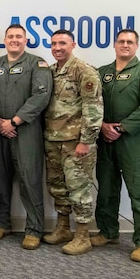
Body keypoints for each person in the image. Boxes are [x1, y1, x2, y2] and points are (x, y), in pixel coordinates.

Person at [93, 29, 140, 263]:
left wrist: (120, 128)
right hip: (105, 141)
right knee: (106, 190)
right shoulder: (102, 74)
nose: (125, 45)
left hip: (134, 143)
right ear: (114, 45)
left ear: (136, 46)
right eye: (121, 41)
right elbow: (91, 103)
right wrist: (103, 125)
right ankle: (108, 232)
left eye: (129, 42)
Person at [0, 24, 53, 250]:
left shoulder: (37, 64)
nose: (14, 40)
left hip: (26, 131)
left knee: (29, 179)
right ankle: (1, 223)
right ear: (4, 40)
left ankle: (33, 229)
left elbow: (40, 96)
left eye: (18, 37)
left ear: (25, 40)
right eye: (10, 36)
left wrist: (14, 121)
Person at [43, 30, 103, 255]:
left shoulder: (84, 71)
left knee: (79, 189)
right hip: (53, 140)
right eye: (54, 43)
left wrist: (86, 142)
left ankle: (83, 235)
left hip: (76, 143)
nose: (57, 47)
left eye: (62, 43)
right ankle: (63, 227)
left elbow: (93, 108)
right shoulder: (51, 72)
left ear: (73, 44)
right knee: (58, 187)